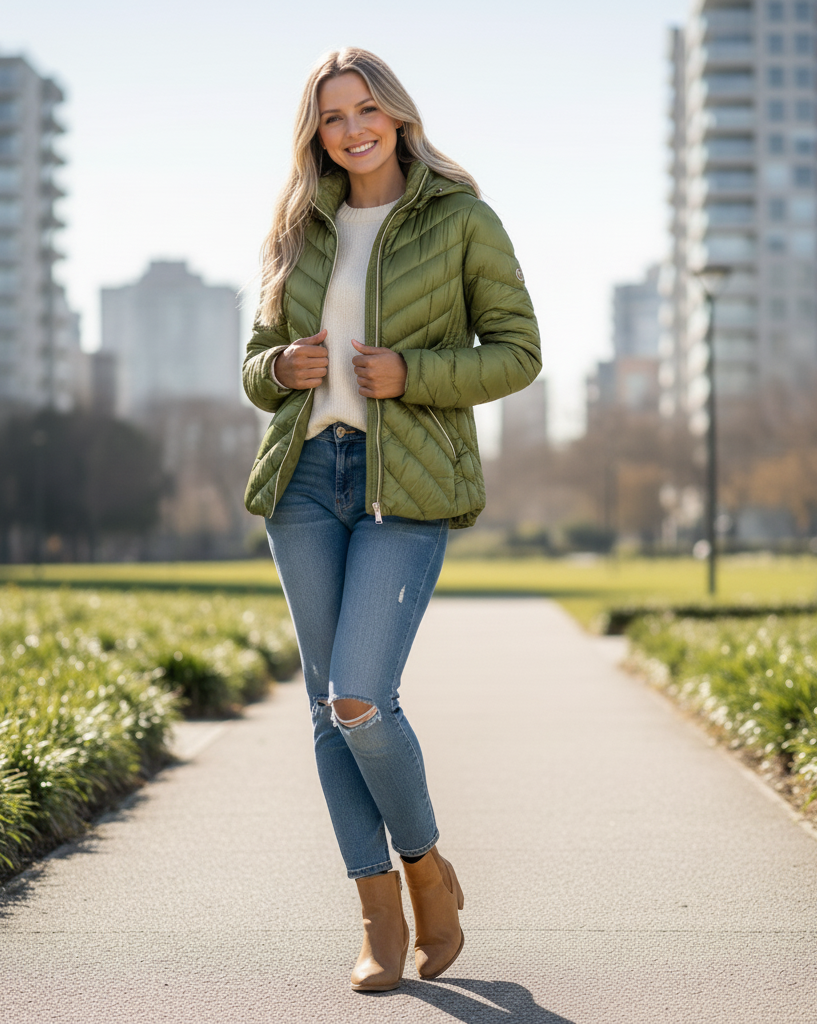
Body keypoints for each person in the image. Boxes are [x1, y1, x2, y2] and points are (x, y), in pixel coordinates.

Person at [241, 46, 541, 993]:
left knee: (362, 694)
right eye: (333, 116)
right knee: (328, 711)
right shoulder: (298, 223)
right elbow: (254, 360)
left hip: (404, 482)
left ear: (399, 115)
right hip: (304, 481)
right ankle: (377, 914)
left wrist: (413, 375)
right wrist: (280, 366)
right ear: (316, 132)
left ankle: (427, 876)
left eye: (366, 109)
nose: (353, 128)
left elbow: (519, 352)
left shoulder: (459, 219)